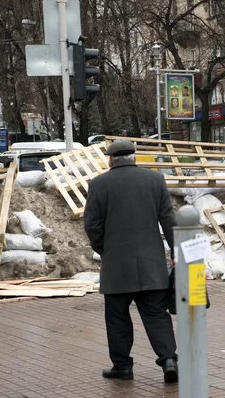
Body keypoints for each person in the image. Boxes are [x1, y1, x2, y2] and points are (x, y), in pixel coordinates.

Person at [83, 139, 178, 383]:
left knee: (117, 317)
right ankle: (169, 360)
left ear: (111, 159)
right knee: (157, 314)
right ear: (134, 156)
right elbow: (168, 218)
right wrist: (177, 252)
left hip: (116, 266)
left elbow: (92, 225)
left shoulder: (98, 184)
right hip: (151, 264)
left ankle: (122, 367)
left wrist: (104, 249)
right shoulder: (154, 180)